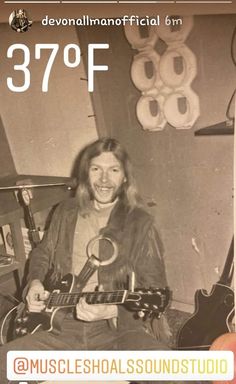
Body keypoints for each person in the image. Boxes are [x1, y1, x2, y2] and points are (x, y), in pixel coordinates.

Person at [0, 137, 170, 383]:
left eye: (113, 170)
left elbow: (157, 292)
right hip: (60, 326)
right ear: (85, 174)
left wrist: (111, 309)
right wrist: (34, 282)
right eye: (96, 169)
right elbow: (43, 253)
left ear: (124, 177)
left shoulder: (140, 223)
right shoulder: (66, 211)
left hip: (117, 331)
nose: (104, 180)